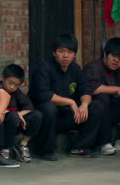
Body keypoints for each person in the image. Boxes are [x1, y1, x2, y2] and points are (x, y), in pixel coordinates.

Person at [29, 33, 103, 161]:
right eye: (61, 51)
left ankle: (81, 147)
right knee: (49, 107)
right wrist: (70, 102)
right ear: (54, 52)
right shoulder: (44, 68)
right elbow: (43, 94)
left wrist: (84, 104)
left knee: (96, 106)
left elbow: (85, 90)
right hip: (45, 119)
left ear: (74, 54)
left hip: (67, 116)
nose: (65, 56)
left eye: (70, 52)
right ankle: (45, 150)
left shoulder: (75, 69)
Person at [0, 64, 42, 163]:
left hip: (15, 124)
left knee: (37, 115)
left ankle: (23, 143)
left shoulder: (17, 92)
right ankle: (5, 148)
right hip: (0, 127)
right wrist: (14, 114)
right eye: (10, 83)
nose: (12, 87)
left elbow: (29, 107)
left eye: (16, 84)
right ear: (3, 78)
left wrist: (20, 115)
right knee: (13, 115)